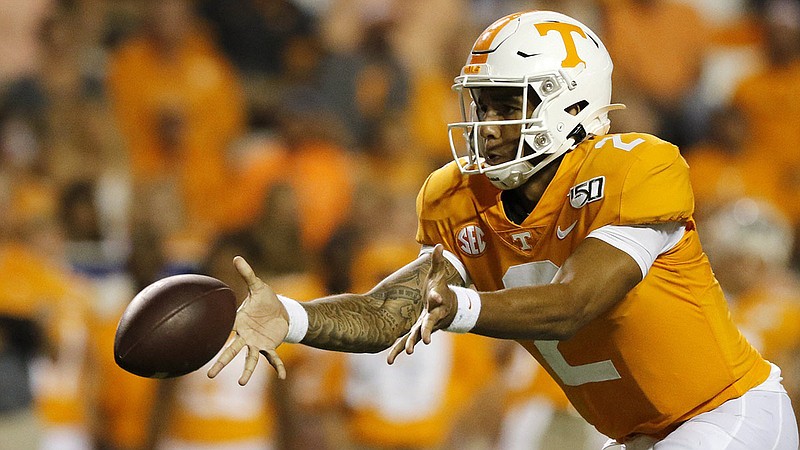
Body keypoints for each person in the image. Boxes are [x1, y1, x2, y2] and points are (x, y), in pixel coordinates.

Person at [208, 10, 799, 449]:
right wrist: (293, 317)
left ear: (567, 103)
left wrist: (460, 307)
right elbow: (392, 310)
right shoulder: (461, 201)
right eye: (479, 105)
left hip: (727, 413)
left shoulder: (635, 167)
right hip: (642, 434)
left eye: (501, 104)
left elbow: (575, 303)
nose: (483, 126)